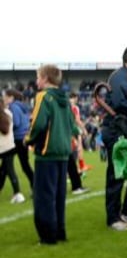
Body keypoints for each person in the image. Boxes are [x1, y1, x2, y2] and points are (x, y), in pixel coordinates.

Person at [95, 46, 127, 230]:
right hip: (116, 130)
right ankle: (113, 217)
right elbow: (119, 103)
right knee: (116, 174)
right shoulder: (119, 77)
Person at [27, 64, 76, 245]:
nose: (37, 81)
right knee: (58, 195)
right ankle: (59, 232)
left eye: (38, 77)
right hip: (63, 152)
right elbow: (72, 125)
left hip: (46, 153)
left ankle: (47, 237)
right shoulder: (65, 98)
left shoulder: (44, 97)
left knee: (44, 197)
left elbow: (38, 124)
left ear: (46, 78)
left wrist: (28, 140)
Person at [2, 90, 29, 203]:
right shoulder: (14, 110)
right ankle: (19, 192)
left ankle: (18, 193)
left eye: (5, 96)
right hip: (15, 142)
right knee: (8, 168)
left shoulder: (12, 109)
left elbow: (15, 124)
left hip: (9, 143)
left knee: (9, 168)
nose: (4, 98)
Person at [66, 92, 88, 195]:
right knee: (74, 155)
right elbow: (74, 122)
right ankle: (76, 185)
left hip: (64, 137)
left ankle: (76, 184)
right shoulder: (71, 108)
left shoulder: (64, 107)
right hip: (67, 137)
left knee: (69, 161)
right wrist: (81, 131)